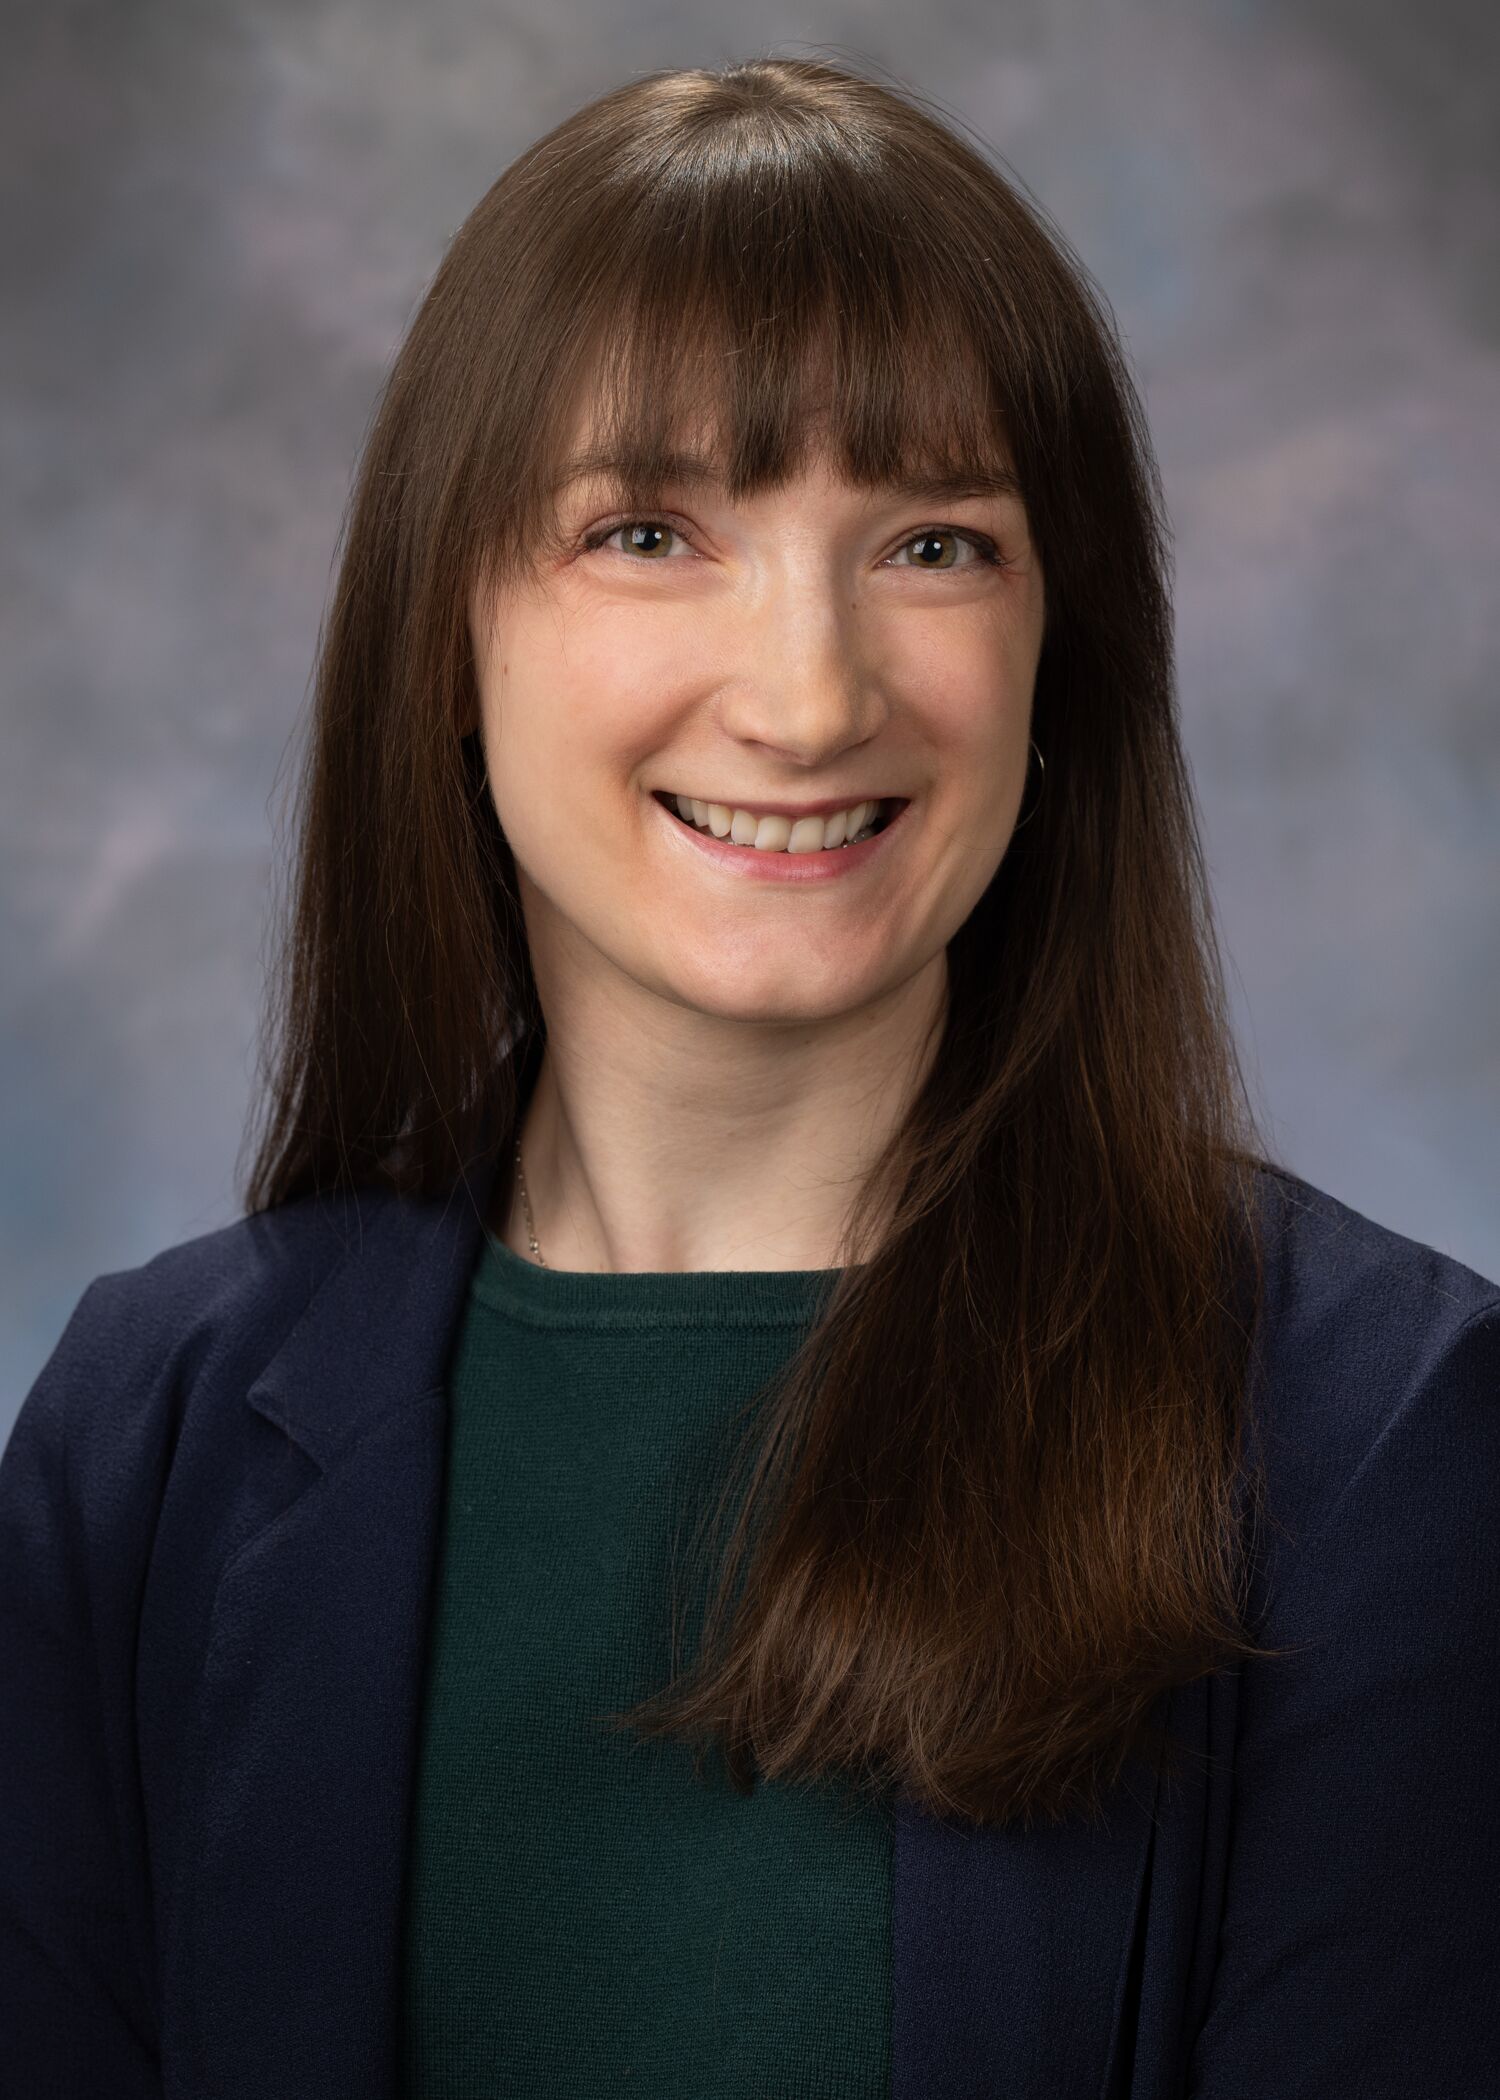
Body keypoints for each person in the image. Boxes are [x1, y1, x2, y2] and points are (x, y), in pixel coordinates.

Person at [2, 53, 1497, 2100]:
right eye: (648, 529)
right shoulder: (141, 1439)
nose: (807, 696)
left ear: (1067, 656)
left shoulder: (1381, 1440)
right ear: (447, 631)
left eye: (937, 546)